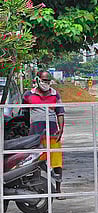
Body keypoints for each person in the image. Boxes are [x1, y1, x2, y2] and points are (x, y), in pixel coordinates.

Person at [23, 71, 65, 199]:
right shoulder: (28, 95)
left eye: (47, 81)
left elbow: (60, 113)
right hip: (35, 135)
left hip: (52, 134)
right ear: (37, 80)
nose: (45, 83)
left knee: (56, 162)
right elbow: (24, 113)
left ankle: (58, 189)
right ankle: (37, 188)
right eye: (43, 80)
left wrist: (61, 129)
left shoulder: (55, 94)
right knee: (35, 162)